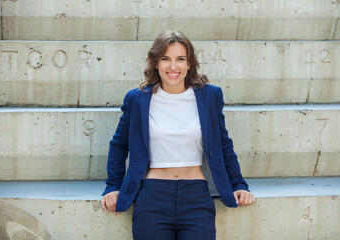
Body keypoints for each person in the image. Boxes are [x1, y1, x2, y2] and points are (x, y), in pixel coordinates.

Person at [101, 30, 255, 240]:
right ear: (155, 63)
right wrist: (113, 186)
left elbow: (223, 144)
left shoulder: (209, 96)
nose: (173, 67)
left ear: (189, 63)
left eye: (180, 59)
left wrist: (238, 184)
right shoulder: (137, 99)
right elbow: (119, 145)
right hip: (152, 196)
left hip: (196, 197)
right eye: (166, 59)